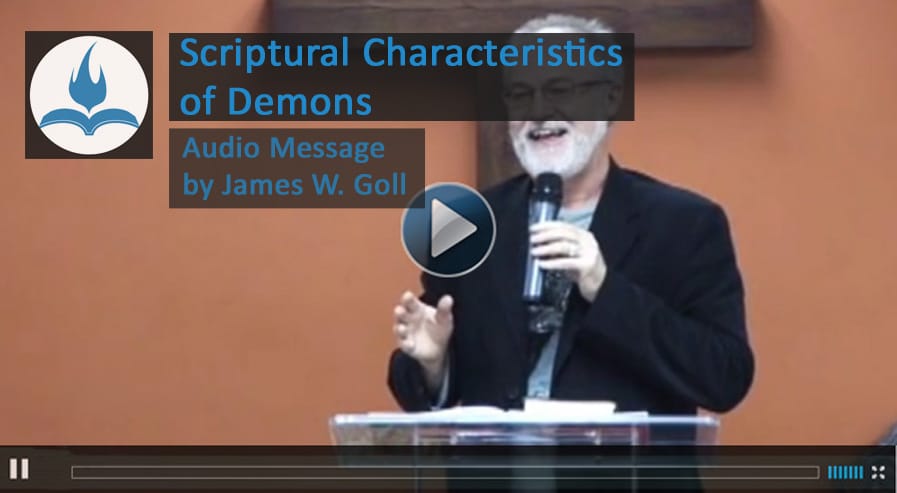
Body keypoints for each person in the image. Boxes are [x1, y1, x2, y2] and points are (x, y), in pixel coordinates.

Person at [387, 14, 754, 416]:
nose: (539, 111)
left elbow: (725, 376)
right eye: (521, 94)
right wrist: (433, 363)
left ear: (610, 100)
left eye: (560, 89)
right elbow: (420, 376)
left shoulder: (684, 224)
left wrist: (604, 288)